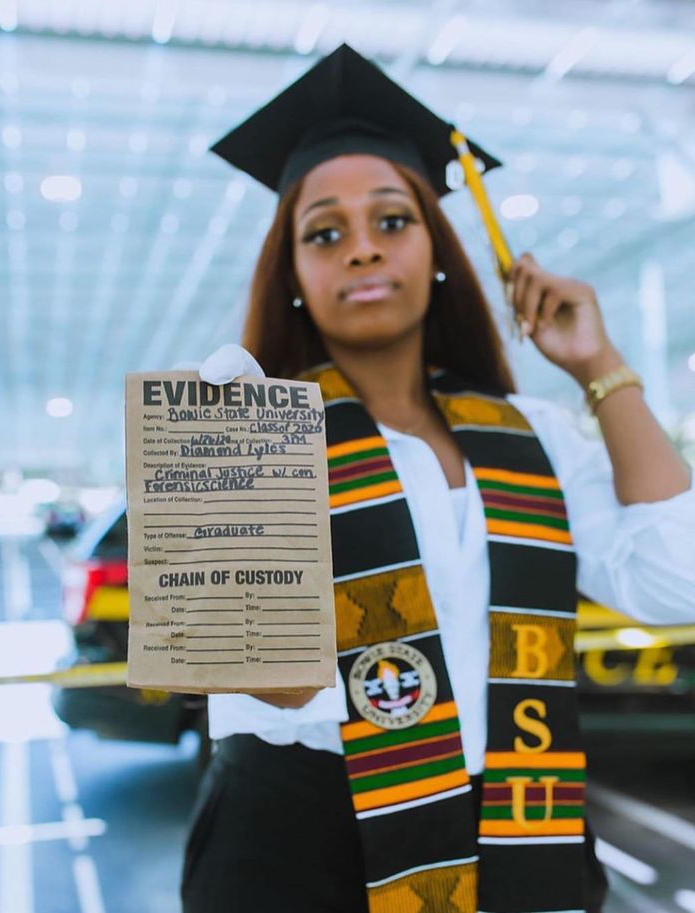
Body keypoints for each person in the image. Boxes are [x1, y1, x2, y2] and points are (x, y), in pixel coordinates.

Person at [180, 44, 695, 913]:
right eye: (324, 231)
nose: (360, 251)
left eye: (392, 220)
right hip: (296, 843)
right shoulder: (257, 419)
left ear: (439, 248)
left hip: (516, 825)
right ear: (294, 273)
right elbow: (249, 669)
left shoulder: (529, 433)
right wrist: (219, 461)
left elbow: (675, 580)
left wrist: (598, 366)